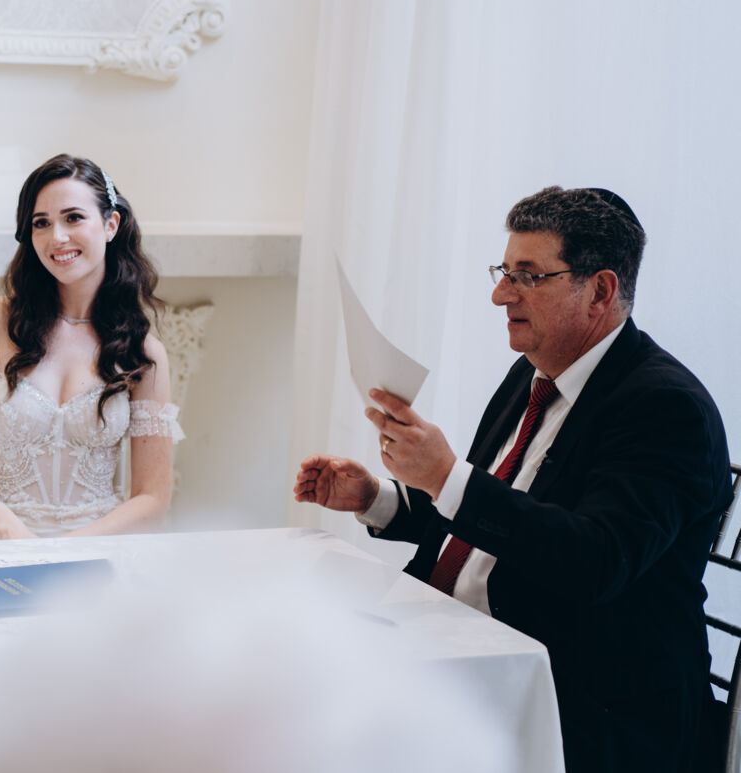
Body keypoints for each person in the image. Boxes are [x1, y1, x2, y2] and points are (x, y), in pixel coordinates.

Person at [294, 186, 731, 772]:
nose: (500, 294)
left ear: (600, 291)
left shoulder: (664, 408)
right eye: (503, 272)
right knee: (294, 663)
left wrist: (446, 475)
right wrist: (377, 499)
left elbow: (595, 561)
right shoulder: (531, 373)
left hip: (586, 702)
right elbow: (495, 519)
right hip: (464, 655)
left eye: (527, 276)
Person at [0, 153, 182, 538]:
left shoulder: (144, 353)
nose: (57, 238)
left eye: (73, 218)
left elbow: (152, 499)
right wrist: (10, 532)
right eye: (41, 223)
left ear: (110, 224)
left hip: (96, 547)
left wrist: (67, 549)